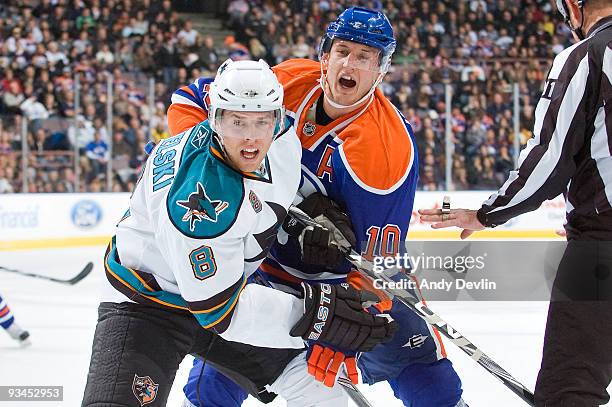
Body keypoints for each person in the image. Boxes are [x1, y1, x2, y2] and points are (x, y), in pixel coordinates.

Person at [169, 7, 466, 407]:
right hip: (262, 266)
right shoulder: (287, 80)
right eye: (342, 50)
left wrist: (348, 328)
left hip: (344, 283)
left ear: (381, 69)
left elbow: (379, 265)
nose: (349, 63)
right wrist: (218, 167)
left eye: (365, 56)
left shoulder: (385, 148)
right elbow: (188, 101)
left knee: (429, 382)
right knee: (211, 386)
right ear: (324, 54)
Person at [81, 59, 395, 407]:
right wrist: (315, 313)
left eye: (262, 121)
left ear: (279, 117)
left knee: (319, 386)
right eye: (237, 121)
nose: (251, 136)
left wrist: (305, 213)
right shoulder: (199, 204)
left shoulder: (283, 140)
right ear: (214, 119)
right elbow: (219, 311)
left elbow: (262, 196)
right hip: (147, 306)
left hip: (224, 290)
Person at [419, 1, 612, 405]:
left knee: (569, 389)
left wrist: (488, 213)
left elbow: (549, 158)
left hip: (602, 252)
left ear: (575, 9)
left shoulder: (587, 57)